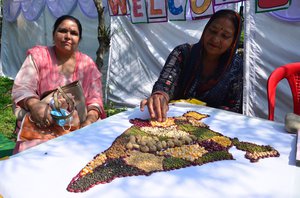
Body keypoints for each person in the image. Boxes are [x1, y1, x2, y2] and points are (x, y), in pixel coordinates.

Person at [12, 15, 106, 152]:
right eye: (62, 31)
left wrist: (89, 121)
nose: (68, 36)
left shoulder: (87, 64)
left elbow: (95, 99)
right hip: (44, 122)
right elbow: (23, 87)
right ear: (53, 34)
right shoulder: (39, 56)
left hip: (79, 124)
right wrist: (34, 104)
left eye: (73, 33)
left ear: (79, 39)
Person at [140, 9, 243, 122]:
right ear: (205, 29)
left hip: (213, 127)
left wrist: (203, 115)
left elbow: (234, 108)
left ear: (233, 42)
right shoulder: (182, 54)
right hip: (173, 123)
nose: (215, 39)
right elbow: (165, 84)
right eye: (213, 31)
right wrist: (160, 96)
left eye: (225, 36)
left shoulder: (236, 66)